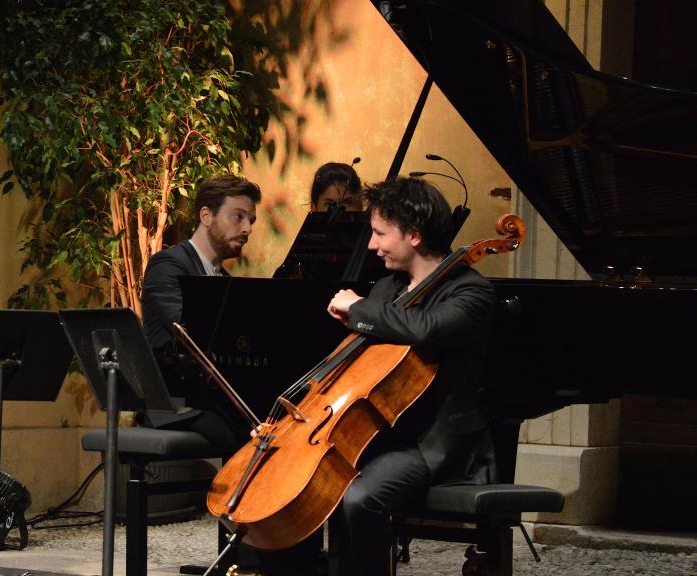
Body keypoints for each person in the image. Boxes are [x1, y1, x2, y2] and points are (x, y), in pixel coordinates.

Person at [261, 177, 496, 576]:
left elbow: (425, 329)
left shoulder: (471, 293)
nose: (372, 245)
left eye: (380, 233)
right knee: (284, 486)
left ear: (415, 235)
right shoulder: (388, 287)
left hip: (430, 443)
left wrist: (361, 309)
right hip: (377, 434)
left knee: (358, 497)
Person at [140, 174, 262, 449]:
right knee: (248, 439)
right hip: (178, 404)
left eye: (251, 220)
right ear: (206, 215)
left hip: (211, 400)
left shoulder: (225, 281)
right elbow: (189, 332)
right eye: (238, 217)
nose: (247, 229)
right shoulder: (167, 266)